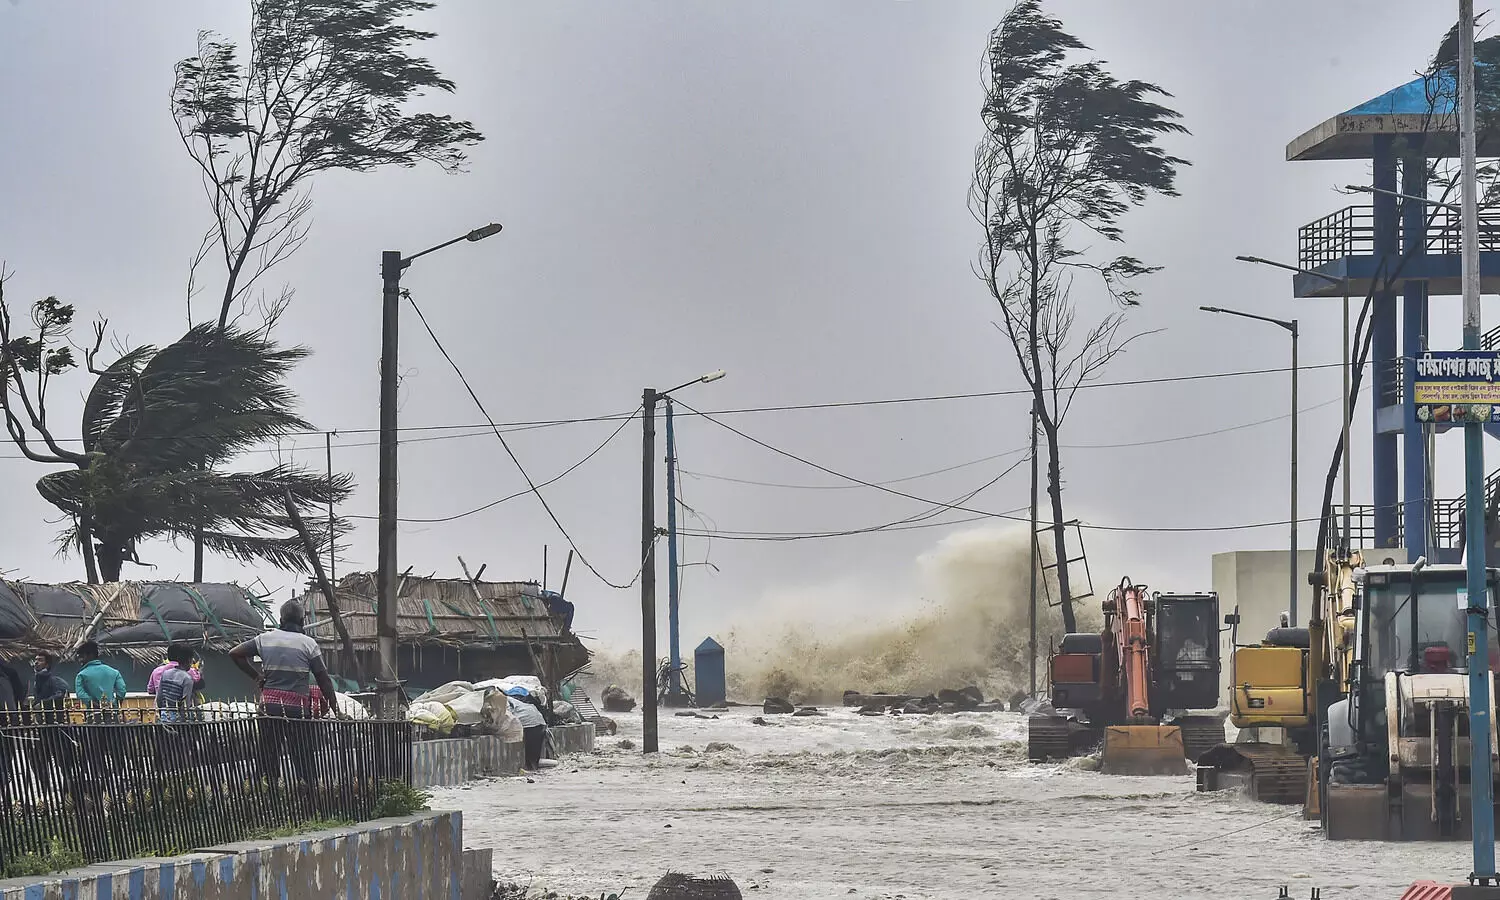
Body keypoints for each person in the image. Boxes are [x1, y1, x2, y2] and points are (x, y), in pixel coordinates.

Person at [229, 601, 343, 786]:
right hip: (297, 709)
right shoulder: (308, 643)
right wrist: (335, 709)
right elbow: (323, 679)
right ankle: (308, 790)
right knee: (302, 754)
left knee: (268, 752)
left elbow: (234, 653)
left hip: (270, 707)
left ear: (281, 619)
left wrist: (257, 676)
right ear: (302, 620)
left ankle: (269, 790)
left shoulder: (264, 639)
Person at [73, 641, 126, 719]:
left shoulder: (81, 675)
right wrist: (116, 704)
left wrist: (92, 704)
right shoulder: (114, 672)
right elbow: (122, 690)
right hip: (112, 713)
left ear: (90, 655)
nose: (80, 660)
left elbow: (80, 694)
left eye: (82, 657)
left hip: (93, 716)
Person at [155, 644, 199, 724]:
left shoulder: (165, 673)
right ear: (189, 660)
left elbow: (159, 698)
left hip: (164, 717)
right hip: (178, 721)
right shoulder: (187, 679)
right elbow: (186, 704)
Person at [507, 689, 547, 771]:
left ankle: (530, 768)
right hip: (541, 722)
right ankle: (534, 768)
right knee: (536, 749)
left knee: (529, 749)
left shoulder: (506, 700)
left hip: (530, 724)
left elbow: (507, 714)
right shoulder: (523, 703)